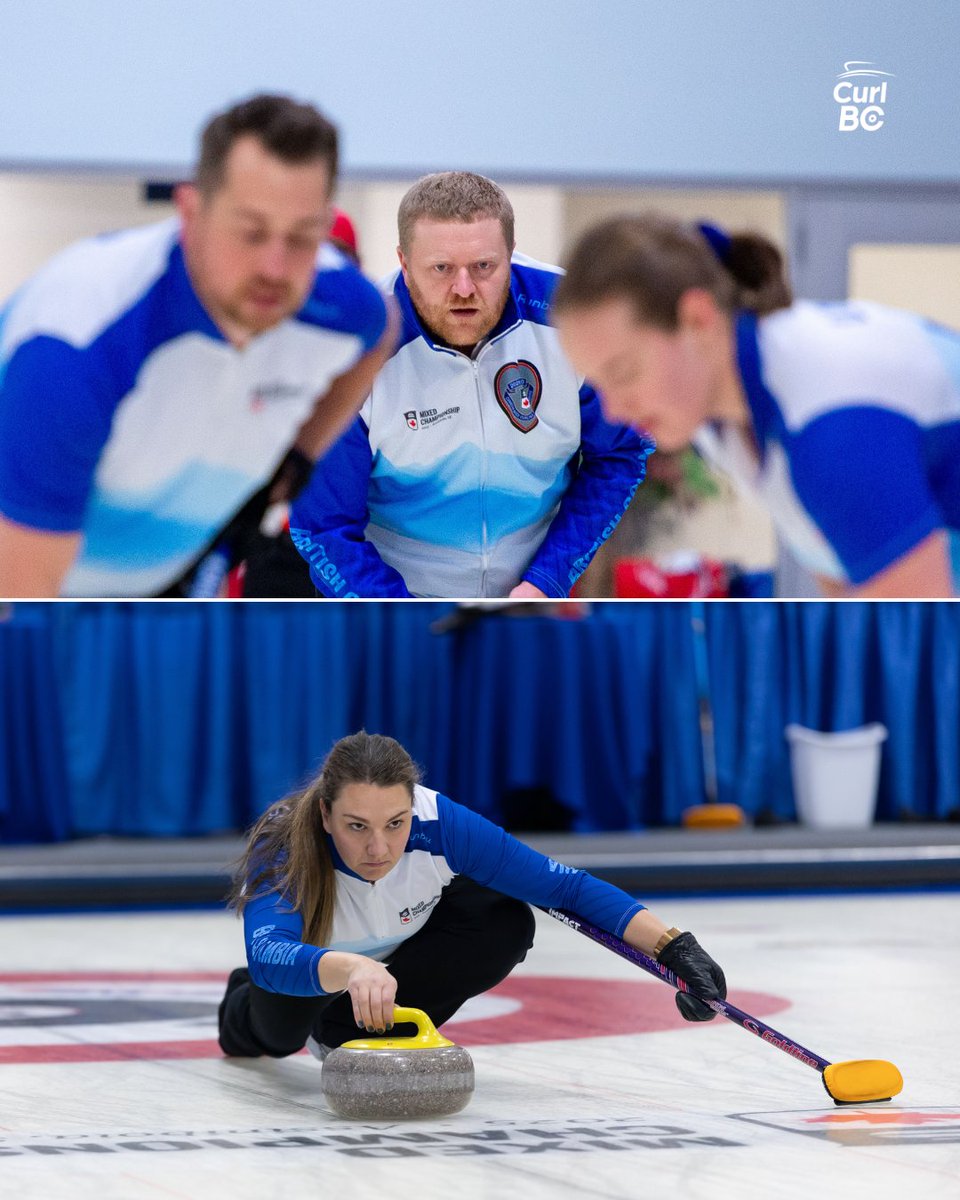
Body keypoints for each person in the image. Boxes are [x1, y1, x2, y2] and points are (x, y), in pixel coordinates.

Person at [0, 94, 396, 597]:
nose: (276, 268)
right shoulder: (76, 347)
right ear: (190, 211)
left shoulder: (337, 303)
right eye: (251, 232)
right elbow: (22, 614)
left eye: (302, 237)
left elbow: (378, 331)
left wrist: (294, 461)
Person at [217, 730, 726, 1060]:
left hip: (400, 952)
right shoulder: (285, 845)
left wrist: (674, 947)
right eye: (356, 826)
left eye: (395, 824)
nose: (378, 848)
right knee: (275, 1039)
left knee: (504, 920)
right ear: (326, 816)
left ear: (413, 809)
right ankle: (248, 1010)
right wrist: (351, 968)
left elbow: (564, 887)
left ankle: (351, 1031)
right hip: (319, 964)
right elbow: (268, 956)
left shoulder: (442, 825)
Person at [550, 211, 960, 598]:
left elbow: (920, 646)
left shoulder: (828, 423)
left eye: (622, 373)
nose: (613, 412)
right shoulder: (726, 422)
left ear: (697, 320)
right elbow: (849, 593)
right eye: (599, 384)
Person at [288, 172, 653, 599]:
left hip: (536, 599)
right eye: (441, 268)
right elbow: (324, 525)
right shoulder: (356, 348)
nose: (464, 289)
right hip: (393, 605)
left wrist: (547, 580)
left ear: (511, 254)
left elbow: (620, 453)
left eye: (484, 267)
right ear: (404, 263)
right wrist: (404, 622)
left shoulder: (572, 316)